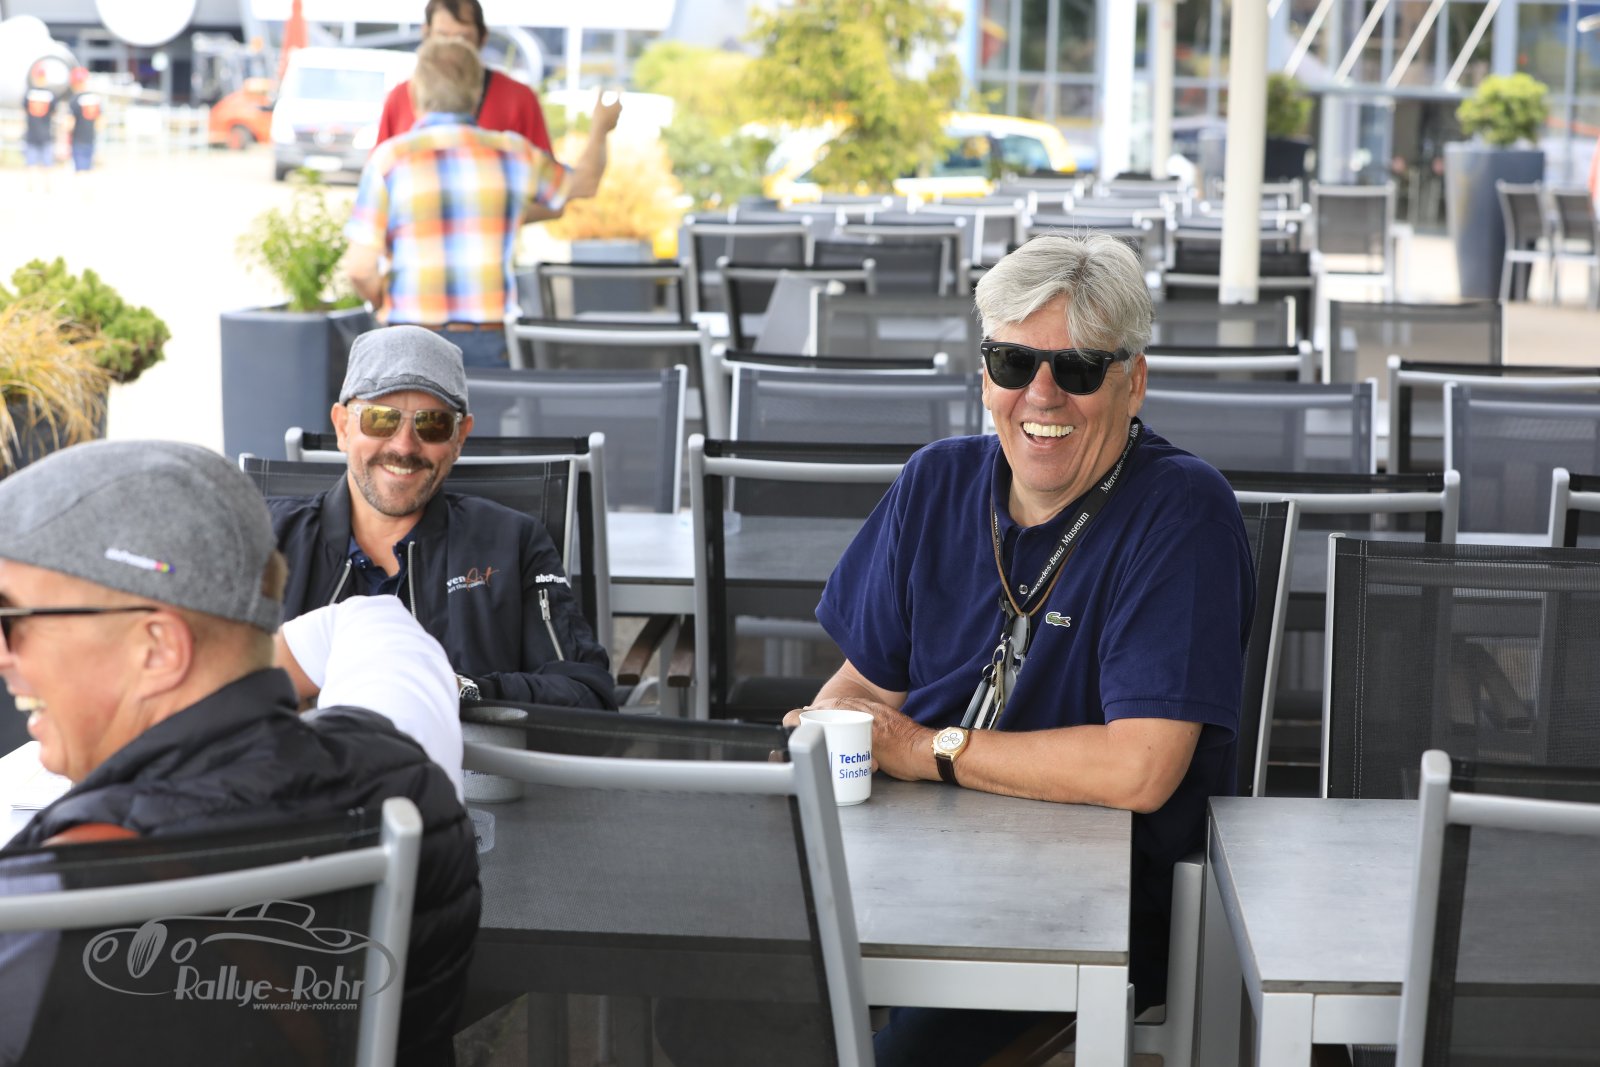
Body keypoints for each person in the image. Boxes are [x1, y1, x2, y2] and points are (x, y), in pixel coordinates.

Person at [796, 232, 1254, 1064]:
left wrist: (924, 748)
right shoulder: (934, 481)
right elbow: (857, 692)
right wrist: (834, 736)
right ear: (984, 378)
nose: (1041, 394)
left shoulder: (1183, 511)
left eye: (1077, 368)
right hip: (906, 875)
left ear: (1133, 381)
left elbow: (1140, 768)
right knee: (727, 998)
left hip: (1084, 913)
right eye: (1013, 362)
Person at [0, 440, 479, 1066]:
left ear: (158, 650)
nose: (3, 656)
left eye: (13, 620)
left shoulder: (51, 893)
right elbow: (379, 625)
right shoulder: (407, 781)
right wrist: (228, 651)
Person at [268, 324, 616, 710]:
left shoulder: (511, 542)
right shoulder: (266, 539)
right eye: (380, 419)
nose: (404, 446)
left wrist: (460, 689)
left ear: (459, 437)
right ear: (342, 427)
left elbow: (588, 695)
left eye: (432, 424)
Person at [345, 35, 619, 367]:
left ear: (414, 93)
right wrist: (601, 128)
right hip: (488, 339)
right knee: (486, 404)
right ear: (477, 93)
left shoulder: (389, 160)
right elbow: (585, 183)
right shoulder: (513, 153)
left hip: (409, 337)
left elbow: (359, 268)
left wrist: (383, 300)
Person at [375, 0, 552, 155]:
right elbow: (377, 170)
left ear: (483, 37)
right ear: (426, 34)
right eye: (442, 36)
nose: (453, 47)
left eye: (463, 37)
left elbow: (545, 170)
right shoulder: (399, 97)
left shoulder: (520, 98)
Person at [21, 63, 58, 194]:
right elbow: (54, 112)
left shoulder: (29, 93)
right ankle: (47, 187)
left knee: (31, 163)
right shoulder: (50, 94)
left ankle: (31, 187)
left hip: (31, 133)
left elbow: (24, 110)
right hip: (45, 133)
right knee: (47, 163)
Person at [65, 67, 99, 174]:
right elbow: (100, 121)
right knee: (88, 168)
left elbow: (69, 123)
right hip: (91, 138)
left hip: (78, 139)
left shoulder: (74, 99)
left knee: (80, 170)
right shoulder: (94, 98)